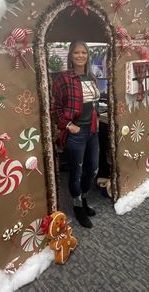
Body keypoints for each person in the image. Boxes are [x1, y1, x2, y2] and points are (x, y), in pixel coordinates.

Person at [51, 41, 100, 228]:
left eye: (84, 52)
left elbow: (94, 103)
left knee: (93, 169)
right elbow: (55, 107)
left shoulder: (91, 76)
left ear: (87, 55)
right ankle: (78, 206)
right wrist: (68, 125)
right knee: (77, 173)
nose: (81, 55)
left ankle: (84, 199)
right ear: (71, 56)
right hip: (77, 132)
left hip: (93, 131)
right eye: (77, 52)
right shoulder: (63, 78)